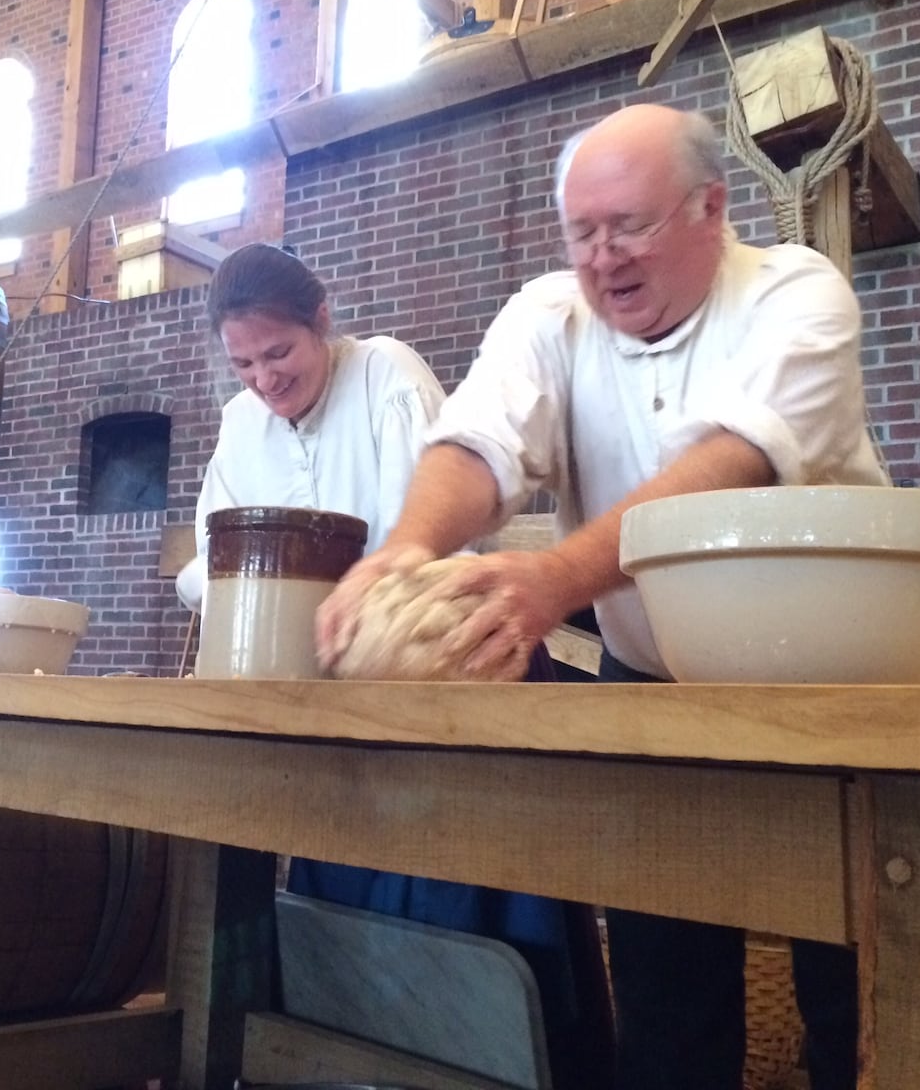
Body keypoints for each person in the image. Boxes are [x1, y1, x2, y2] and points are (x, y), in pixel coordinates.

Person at [317, 103, 885, 1090]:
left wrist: (553, 579)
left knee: (858, 1000)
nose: (603, 256)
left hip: (837, 698)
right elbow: (478, 442)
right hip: (653, 682)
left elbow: (737, 461)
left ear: (711, 206)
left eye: (630, 225)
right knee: (667, 1000)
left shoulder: (800, 294)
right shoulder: (550, 314)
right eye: (582, 232)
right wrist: (402, 551)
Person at [179, 242, 613, 1090]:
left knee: (467, 919)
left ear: (323, 325)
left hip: (449, 696)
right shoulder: (240, 424)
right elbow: (209, 556)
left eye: (279, 355)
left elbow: (414, 543)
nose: (264, 380)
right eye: (244, 364)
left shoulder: (386, 377)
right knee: (341, 919)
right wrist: (257, 593)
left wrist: (316, 598)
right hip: (333, 713)